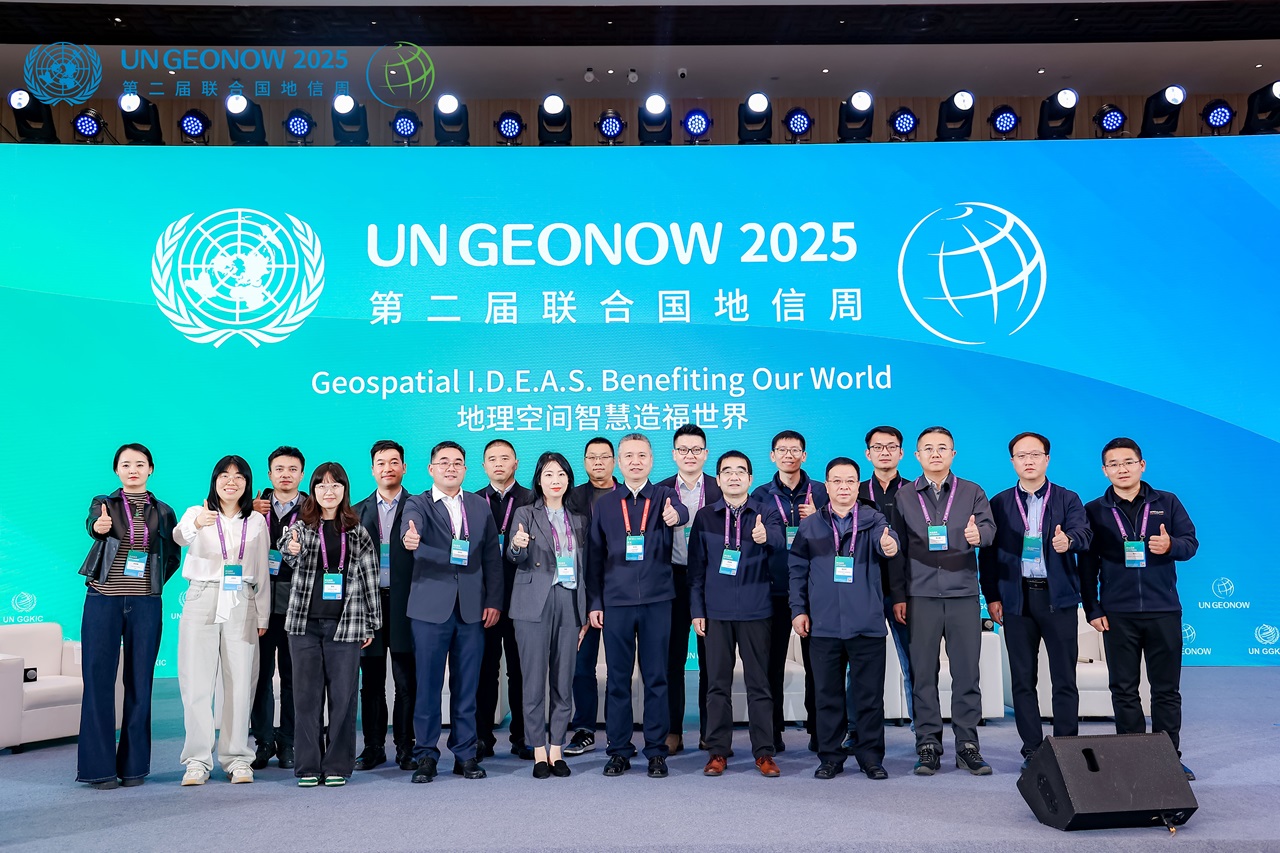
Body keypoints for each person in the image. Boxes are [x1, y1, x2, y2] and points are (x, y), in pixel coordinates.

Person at [1081, 437, 1199, 781]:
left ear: (1142, 465)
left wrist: (1171, 545)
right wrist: (1092, 608)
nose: (1122, 469)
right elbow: (1087, 566)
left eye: (1128, 462)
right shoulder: (1094, 510)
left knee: (1166, 690)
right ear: (1104, 471)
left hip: (1164, 610)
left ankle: (1167, 758)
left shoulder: (1167, 502)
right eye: (1114, 464)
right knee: (1124, 689)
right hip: (1118, 614)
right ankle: (1132, 756)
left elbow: (1190, 544)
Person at [979, 432, 1092, 769]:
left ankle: (1066, 747)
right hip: (1016, 601)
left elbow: (1084, 533)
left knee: (1064, 678)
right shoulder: (1000, 503)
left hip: (1058, 600)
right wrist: (992, 596)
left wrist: (1068, 540)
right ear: (1012, 461)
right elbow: (988, 556)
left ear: (1047, 459)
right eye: (1021, 455)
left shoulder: (1067, 499)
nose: (1028, 461)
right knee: (1023, 679)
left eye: (1035, 454)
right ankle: (1032, 748)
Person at [77, 444, 180, 790]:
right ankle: (99, 769)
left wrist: (149, 585)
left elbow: (172, 556)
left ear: (150, 469)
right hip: (103, 600)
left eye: (139, 464)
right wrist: (99, 525)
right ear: (116, 470)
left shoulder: (164, 511)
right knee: (98, 682)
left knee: (140, 683)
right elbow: (94, 525)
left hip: (146, 605)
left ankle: (134, 767)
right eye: (125, 464)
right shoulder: (103, 503)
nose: (132, 469)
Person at [586, 432, 689, 777]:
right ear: (619, 462)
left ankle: (656, 751)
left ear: (651, 460)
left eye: (642, 455)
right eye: (628, 456)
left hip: (658, 601)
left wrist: (676, 517)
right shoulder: (605, 505)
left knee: (656, 677)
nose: (635, 461)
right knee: (618, 679)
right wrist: (595, 602)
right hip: (616, 602)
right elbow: (594, 557)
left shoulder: (665, 496)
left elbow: (682, 513)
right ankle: (618, 749)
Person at [400, 441, 503, 783]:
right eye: (443, 462)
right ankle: (426, 755)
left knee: (467, 686)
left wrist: (493, 600)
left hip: (472, 609)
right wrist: (411, 538)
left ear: (465, 469)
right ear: (431, 469)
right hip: (430, 610)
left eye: (457, 462)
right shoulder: (418, 504)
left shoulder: (478, 505)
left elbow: (491, 556)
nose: (451, 467)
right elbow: (410, 530)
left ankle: (465, 753)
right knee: (428, 686)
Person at [790, 457, 900, 780]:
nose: (843, 487)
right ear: (826, 486)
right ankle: (830, 757)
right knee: (827, 696)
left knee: (869, 697)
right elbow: (796, 570)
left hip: (866, 624)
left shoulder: (873, 519)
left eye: (850, 481)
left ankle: (871, 758)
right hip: (823, 625)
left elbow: (887, 543)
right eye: (836, 481)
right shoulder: (811, 525)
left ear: (857, 485)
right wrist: (798, 610)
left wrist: (889, 545)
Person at [897, 426, 996, 776]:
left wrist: (978, 534)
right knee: (923, 675)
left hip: (962, 594)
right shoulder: (905, 495)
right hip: (920, 595)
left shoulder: (972, 491)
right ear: (917, 456)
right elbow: (897, 548)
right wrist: (899, 595)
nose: (935, 453)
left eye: (943, 447)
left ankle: (967, 745)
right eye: (928, 448)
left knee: (967, 673)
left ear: (953, 454)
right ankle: (927, 744)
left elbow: (989, 530)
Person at [280, 463, 382, 788]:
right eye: (322, 485)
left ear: (344, 490)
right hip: (304, 626)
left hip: (346, 625)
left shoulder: (357, 530)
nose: (328, 491)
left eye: (335, 485)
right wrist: (291, 548)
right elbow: (288, 548)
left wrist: (371, 623)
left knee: (343, 698)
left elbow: (370, 577)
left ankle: (338, 765)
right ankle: (308, 766)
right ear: (313, 490)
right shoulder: (302, 527)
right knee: (306, 698)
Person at [173, 456, 270, 786]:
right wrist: (198, 523)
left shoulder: (256, 520)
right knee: (196, 682)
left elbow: (262, 569)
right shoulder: (196, 513)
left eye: (239, 476)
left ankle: (237, 758)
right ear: (214, 481)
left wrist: (262, 612)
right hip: (202, 595)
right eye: (225, 475)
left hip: (241, 597)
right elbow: (179, 537)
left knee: (240, 682)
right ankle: (197, 760)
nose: (232, 481)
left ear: (247, 483)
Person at [687, 451, 784, 777]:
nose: (733, 476)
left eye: (740, 471)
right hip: (716, 612)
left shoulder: (766, 512)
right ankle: (717, 751)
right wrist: (697, 610)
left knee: (760, 684)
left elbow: (781, 542)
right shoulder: (705, 516)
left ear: (750, 478)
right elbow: (696, 569)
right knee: (717, 685)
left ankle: (764, 752)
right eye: (727, 471)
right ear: (718, 479)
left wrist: (766, 536)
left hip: (757, 610)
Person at [506, 452, 590, 778]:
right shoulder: (525, 513)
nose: (555, 480)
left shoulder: (578, 519)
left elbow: (585, 566)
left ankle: (557, 748)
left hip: (569, 600)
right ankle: (537, 749)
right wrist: (517, 544)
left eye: (561, 475)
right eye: (549, 475)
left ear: (569, 480)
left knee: (563, 679)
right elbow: (515, 556)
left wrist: (584, 612)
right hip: (532, 603)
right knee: (533, 680)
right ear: (539, 480)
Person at [750, 430, 828, 753]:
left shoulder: (821, 492)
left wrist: (819, 518)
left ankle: (819, 732)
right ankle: (773, 732)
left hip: (815, 592)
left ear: (804, 455)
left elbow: (839, 535)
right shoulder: (760, 495)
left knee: (818, 666)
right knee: (771, 666)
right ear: (772, 456)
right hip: (774, 590)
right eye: (782, 450)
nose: (788, 455)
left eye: (795, 450)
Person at [353, 440, 417, 771]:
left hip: (407, 605)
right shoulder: (356, 511)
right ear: (372, 469)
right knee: (372, 683)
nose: (388, 468)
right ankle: (373, 747)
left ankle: (406, 747)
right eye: (381, 463)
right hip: (370, 606)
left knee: (406, 682)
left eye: (394, 462)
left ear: (404, 467)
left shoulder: (420, 507)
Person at [657, 424, 720, 754]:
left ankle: (710, 731)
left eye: (696, 450)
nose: (690, 455)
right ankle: (673, 730)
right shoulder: (661, 490)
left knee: (712, 660)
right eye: (683, 450)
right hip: (673, 579)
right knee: (673, 659)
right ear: (674, 454)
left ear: (705, 454)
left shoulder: (720, 487)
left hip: (713, 581)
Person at [475, 439, 535, 760]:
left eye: (505, 458)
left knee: (520, 671)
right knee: (485, 671)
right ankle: (482, 737)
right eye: (492, 459)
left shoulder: (532, 499)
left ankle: (522, 736)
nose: (498, 463)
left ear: (516, 463)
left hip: (522, 598)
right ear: (484, 466)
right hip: (484, 602)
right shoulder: (473, 501)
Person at [249, 446, 306, 770]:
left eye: (292, 469)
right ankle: (263, 741)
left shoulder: (312, 508)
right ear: (270, 474)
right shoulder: (254, 506)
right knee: (260, 677)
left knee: (292, 677)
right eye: (279, 469)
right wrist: (248, 510)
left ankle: (288, 742)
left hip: (296, 605)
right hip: (259, 603)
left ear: (301, 474)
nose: (286, 474)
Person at [856, 426, 914, 745]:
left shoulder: (914, 492)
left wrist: (903, 593)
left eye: (891, 446)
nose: (884, 452)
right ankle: (856, 732)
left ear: (901, 453)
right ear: (868, 454)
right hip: (864, 591)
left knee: (914, 665)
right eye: (877, 447)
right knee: (859, 667)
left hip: (904, 591)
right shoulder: (855, 491)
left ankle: (923, 734)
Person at [564, 436, 619, 757]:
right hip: (580, 591)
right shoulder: (571, 497)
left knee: (617, 668)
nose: (598, 462)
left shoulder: (627, 495)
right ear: (584, 462)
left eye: (604, 457)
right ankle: (584, 729)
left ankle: (616, 731)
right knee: (581, 666)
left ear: (614, 461)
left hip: (620, 592)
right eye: (592, 457)